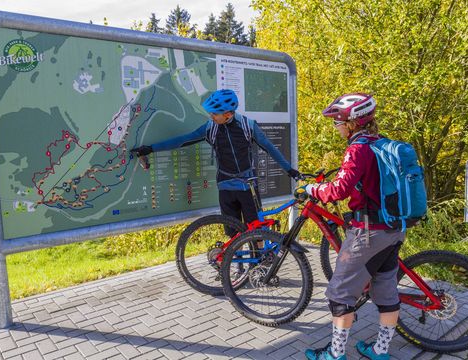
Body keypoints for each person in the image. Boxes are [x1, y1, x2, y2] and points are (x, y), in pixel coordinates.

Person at [294, 93, 405, 360]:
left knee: (339, 295)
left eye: (339, 122)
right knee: (386, 291)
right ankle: (380, 351)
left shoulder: (358, 148)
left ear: (353, 123)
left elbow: (338, 190)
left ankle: (335, 354)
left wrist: (311, 188)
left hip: (368, 232)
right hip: (394, 229)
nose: (337, 127)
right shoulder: (382, 143)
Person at [131, 89, 301, 232]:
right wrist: (150, 149)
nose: (211, 115)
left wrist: (289, 170)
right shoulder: (210, 128)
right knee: (232, 232)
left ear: (228, 114)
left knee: (256, 229)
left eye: (215, 113)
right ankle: (237, 267)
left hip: (248, 186)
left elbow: (270, 148)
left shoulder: (248, 126)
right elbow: (181, 141)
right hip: (225, 185)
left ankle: (259, 264)